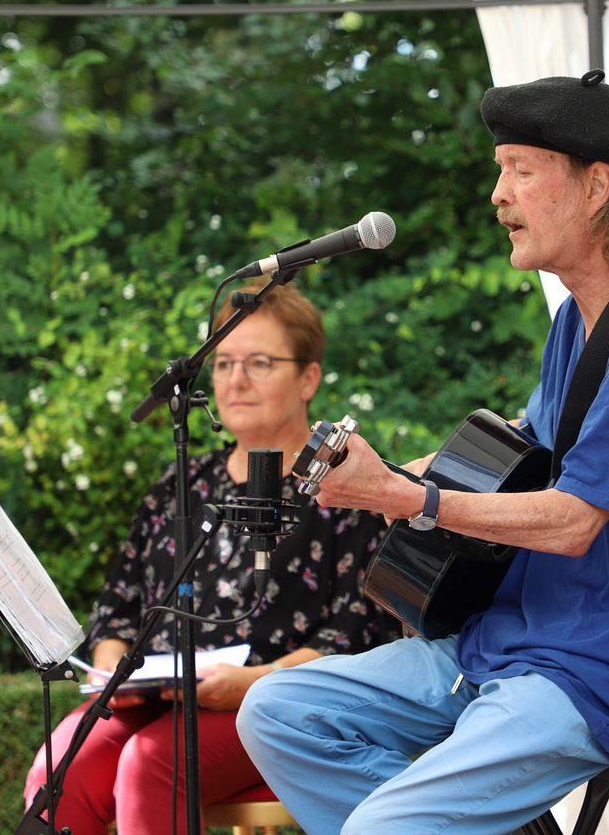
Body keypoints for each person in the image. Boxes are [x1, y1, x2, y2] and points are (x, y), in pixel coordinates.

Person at [237, 71, 609, 833]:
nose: (498, 195)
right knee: (278, 712)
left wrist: (405, 497)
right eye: (501, 172)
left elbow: (574, 521)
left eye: (521, 170)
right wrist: (386, 473)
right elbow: (522, 463)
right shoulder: (578, 320)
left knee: (383, 829)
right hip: (526, 637)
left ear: (596, 187)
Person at [24, 282, 389, 835]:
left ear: (308, 379)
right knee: (60, 768)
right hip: (156, 698)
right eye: (223, 363)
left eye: (259, 362)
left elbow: (356, 635)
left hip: (278, 704)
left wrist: (253, 682)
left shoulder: (345, 492)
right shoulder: (179, 483)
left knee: (150, 763)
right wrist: (114, 676)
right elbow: (117, 612)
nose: (235, 380)